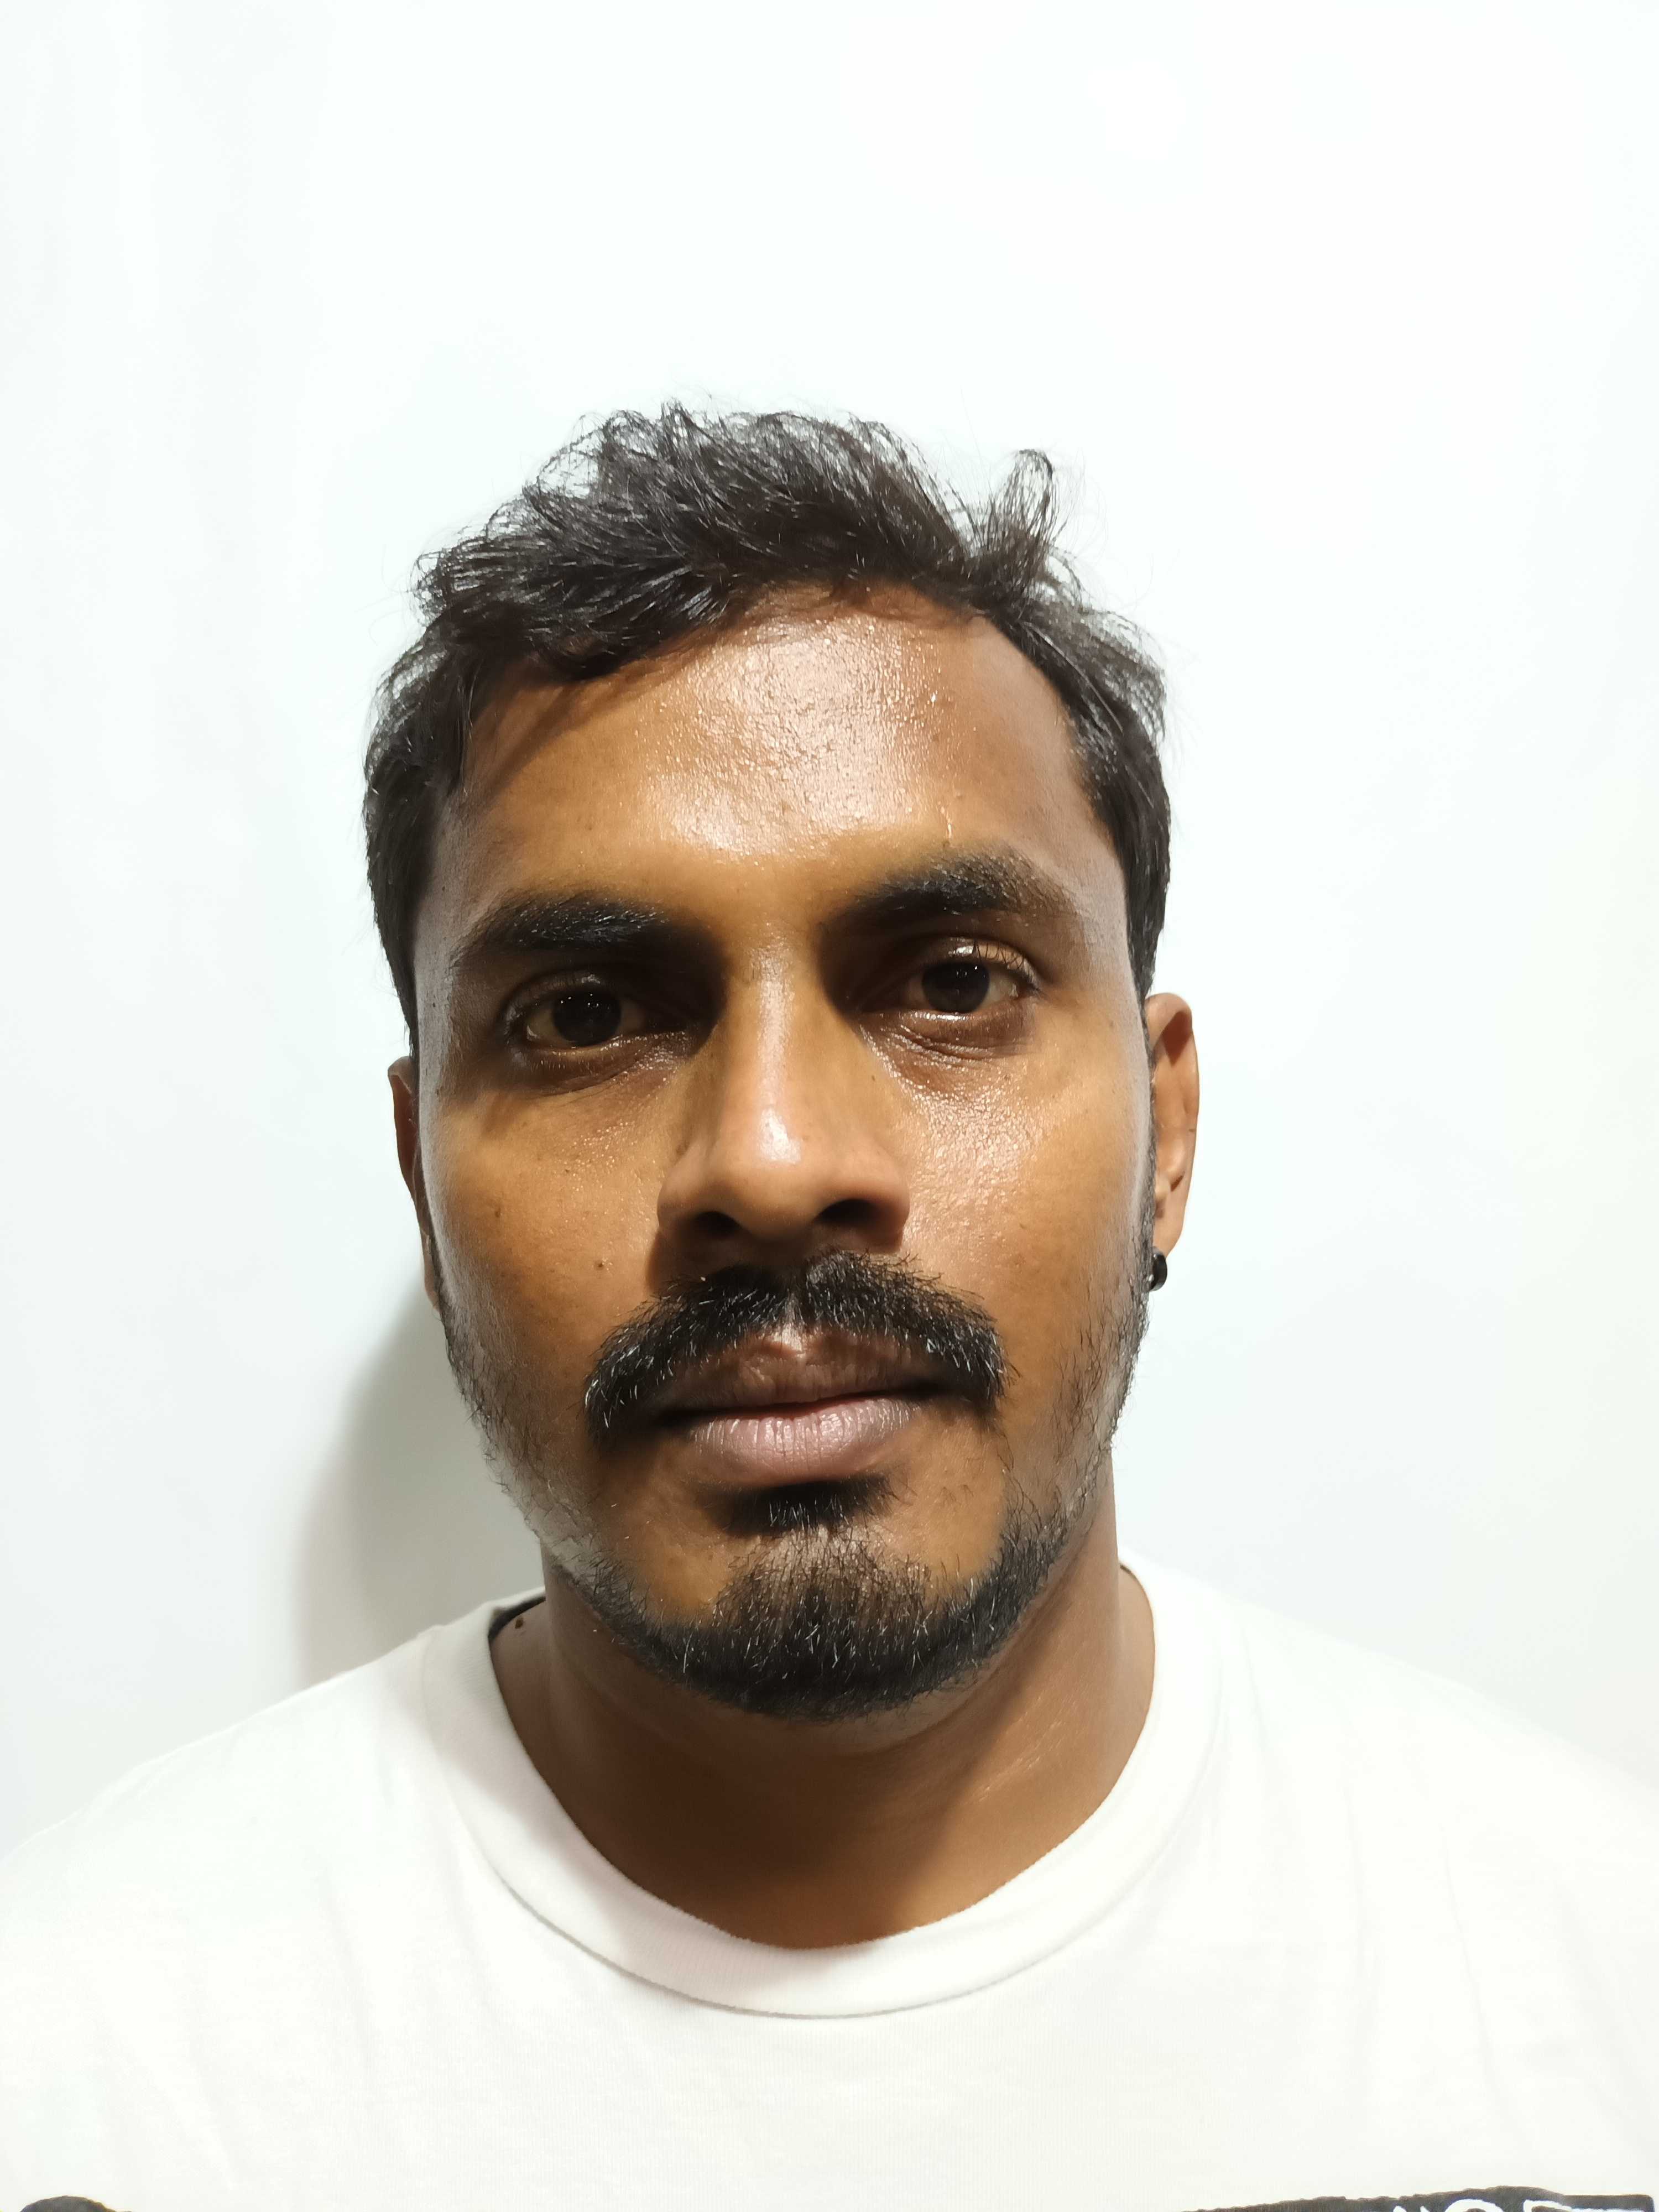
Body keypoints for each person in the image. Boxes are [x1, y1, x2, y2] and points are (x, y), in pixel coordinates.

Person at [1, 408, 1654, 2212]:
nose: (774, 1161)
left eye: (953, 983)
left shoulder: (1591, 2016)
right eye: (583, 1015)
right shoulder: (86, 2081)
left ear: (1166, 1135)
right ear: (419, 1176)